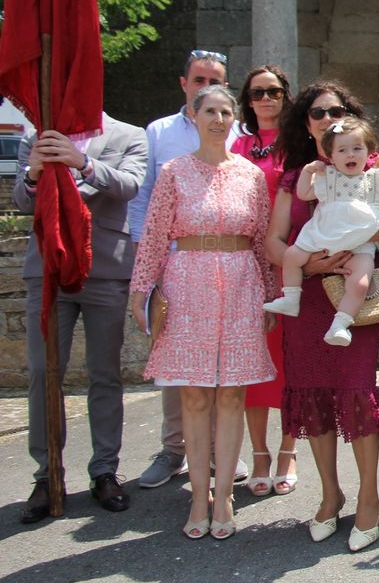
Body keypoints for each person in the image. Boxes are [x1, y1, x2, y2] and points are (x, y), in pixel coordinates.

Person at [266, 80, 379, 552]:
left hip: (354, 294)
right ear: (306, 125)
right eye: (318, 113)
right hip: (306, 298)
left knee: (355, 391)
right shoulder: (298, 177)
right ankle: (330, 494)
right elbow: (273, 241)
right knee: (313, 396)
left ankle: (369, 496)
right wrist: (308, 262)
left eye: (337, 111)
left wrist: (354, 233)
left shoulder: (372, 169)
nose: (328, 119)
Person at [129, 85, 276, 540]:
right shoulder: (174, 171)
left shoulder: (251, 175)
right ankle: (198, 495)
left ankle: (226, 494)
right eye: (209, 110)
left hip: (240, 285)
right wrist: (140, 290)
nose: (217, 118)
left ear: (235, 119)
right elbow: (153, 234)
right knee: (193, 395)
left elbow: (263, 240)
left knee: (232, 394)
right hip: (186, 283)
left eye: (225, 111)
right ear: (194, 117)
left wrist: (271, 293)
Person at [15, 115, 148, 525]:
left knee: (104, 373)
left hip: (104, 266)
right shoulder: (37, 137)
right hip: (49, 269)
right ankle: (47, 474)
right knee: (43, 372)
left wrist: (82, 162)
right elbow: (23, 201)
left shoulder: (130, 135)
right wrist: (35, 174)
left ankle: (104, 470)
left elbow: (129, 185)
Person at [128, 49, 246, 489]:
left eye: (216, 84)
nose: (209, 95)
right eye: (199, 82)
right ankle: (174, 450)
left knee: (227, 370)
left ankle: (221, 454)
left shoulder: (239, 137)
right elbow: (145, 207)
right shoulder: (159, 134)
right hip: (179, 264)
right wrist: (147, 274)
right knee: (183, 372)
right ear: (185, 85)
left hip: (232, 273)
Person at [265, 117, 379, 348]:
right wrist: (309, 171)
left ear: (369, 151)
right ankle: (291, 297)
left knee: (360, 283)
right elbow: (303, 193)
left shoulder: (374, 178)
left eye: (357, 148)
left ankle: (341, 323)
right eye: (342, 150)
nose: (350, 154)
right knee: (291, 256)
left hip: (360, 241)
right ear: (330, 156)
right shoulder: (327, 178)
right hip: (323, 237)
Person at [232, 65, 298, 497]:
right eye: (258, 93)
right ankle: (259, 453)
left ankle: (288, 452)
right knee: (256, 362)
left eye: (274, 92)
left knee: (292, 360)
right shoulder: (236, 145)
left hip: (290, 261)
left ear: (285, 96)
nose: (266, 99)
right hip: (249, 266)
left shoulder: (298, 145)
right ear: (248, 100)